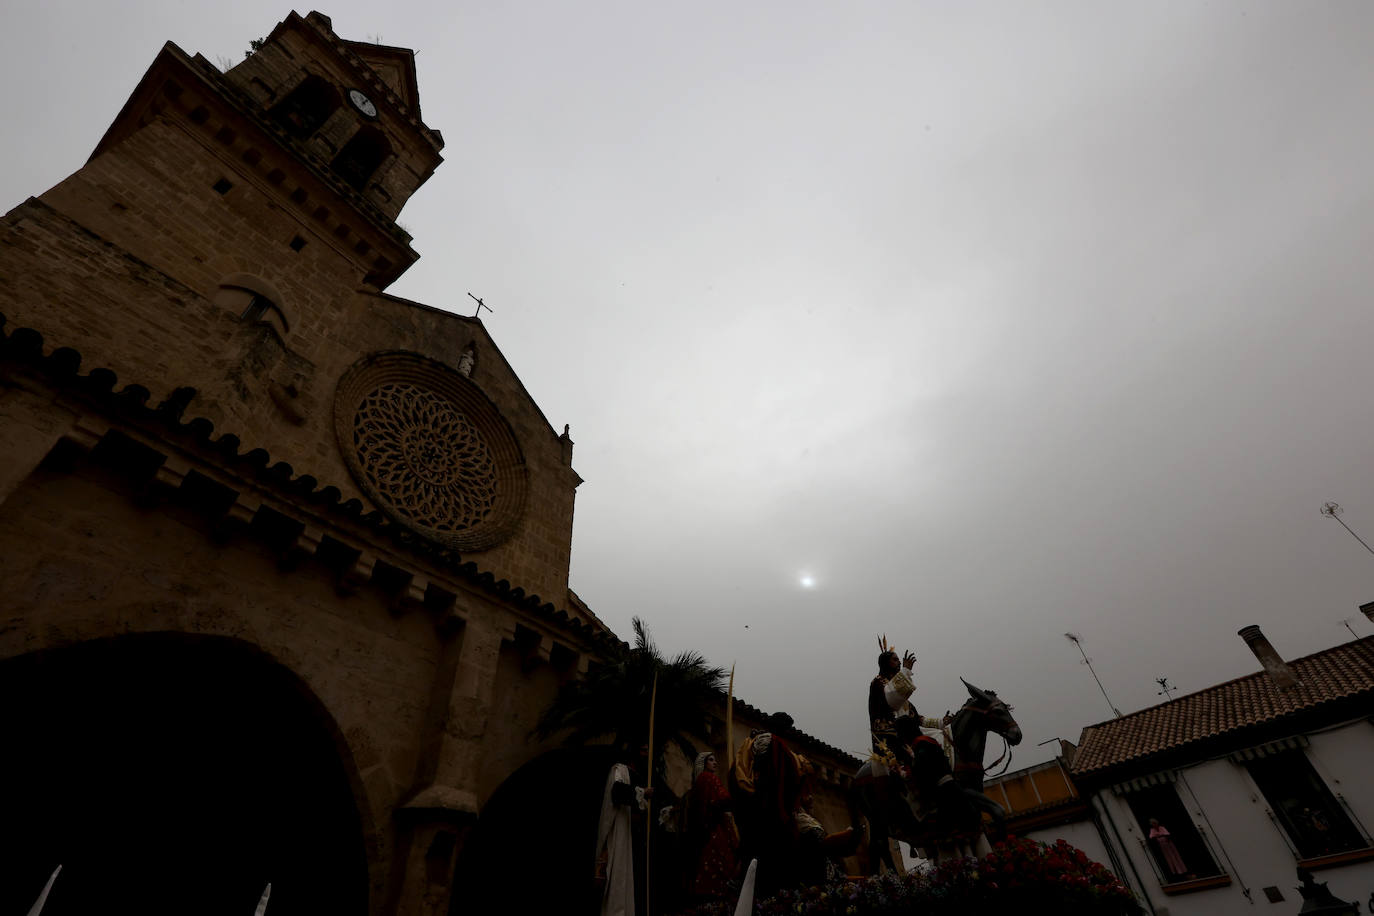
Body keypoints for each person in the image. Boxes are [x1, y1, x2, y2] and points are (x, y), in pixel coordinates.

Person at [869, 637, 943, 775]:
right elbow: (892, 699)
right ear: (886, 663)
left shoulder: (904, 699)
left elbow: (917, 718)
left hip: (908, 732)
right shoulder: (878, 683)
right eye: (895, 659)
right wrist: (906, 671)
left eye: (899, 660)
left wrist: (941, 723)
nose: (899, 662)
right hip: (890, 733)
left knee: (939, 737)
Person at [596, 744, 654, 916]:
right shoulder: (619, 770)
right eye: (643, 750)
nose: (646, 754)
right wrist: (642, 793)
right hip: (622, 834)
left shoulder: (643, 775)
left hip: (636, 838)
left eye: (648, 751)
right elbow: (617, 792)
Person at [685, 752, 739, 902]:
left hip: (702, 832)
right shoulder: (709, 778)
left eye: (715, 760)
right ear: (703, 763)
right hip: (715, 830)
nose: (715, 763)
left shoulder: (698, 783)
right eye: (711, 760)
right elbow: (723, 800)